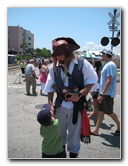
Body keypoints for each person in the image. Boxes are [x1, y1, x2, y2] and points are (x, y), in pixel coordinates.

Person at [43, 37, 98, 158]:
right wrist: (50, 105)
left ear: (68, 52)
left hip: (76, 107)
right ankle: (61, 154)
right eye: (56, 55)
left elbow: (92, 81)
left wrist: (79, 94)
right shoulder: (54, 67)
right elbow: (50, 87)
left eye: (60, 54)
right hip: (60, 105)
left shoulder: (82, 63)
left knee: (74, 134)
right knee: (59, 132)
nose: (58, 58)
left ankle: (74, 156)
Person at [91, 49, 120, 136]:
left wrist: (102, 94)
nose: (101, 55)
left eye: (103, 54)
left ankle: (120, 127)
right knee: (100, 112)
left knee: (109, 112)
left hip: (106, 94)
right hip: (103, 93)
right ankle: (96, 130)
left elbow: (109, 80)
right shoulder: (107, 64)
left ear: (107, 55)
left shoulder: (110, 65)